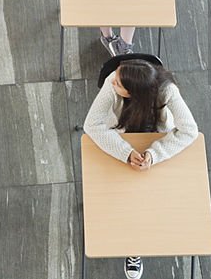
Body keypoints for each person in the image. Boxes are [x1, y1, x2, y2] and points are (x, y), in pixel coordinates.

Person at [83, 58, 198, 279]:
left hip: (158, 138)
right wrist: (124, 152)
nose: (111, 83)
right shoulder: (111, 81)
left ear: (134, 92)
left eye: (119, 84)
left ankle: (140, 240)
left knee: (158, 198)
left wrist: (155, 154)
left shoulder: (168, 91)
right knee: (122, 196)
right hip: (122, 137)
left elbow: (189, 131)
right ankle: (132, 245)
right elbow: (92, 124)